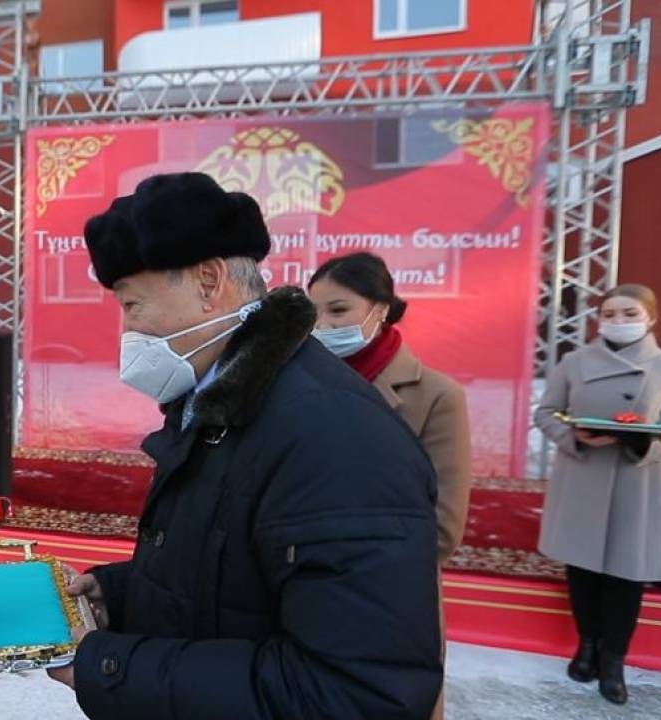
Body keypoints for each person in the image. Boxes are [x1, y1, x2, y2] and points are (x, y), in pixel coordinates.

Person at [50, 173, 443, 719]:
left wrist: (114, 668)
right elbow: (233, 576)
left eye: (133, 306)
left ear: (210, 282)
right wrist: (120, 593)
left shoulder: (334, 436)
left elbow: (354, 695)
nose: (127, 332)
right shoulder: (224, 404)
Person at [308, 252, 471, 719]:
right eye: (313, 311)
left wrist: (344, 566)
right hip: (302, 594)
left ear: (381, 309)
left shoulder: (436, 395)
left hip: (390, 601)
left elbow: (442, 529)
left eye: (338, 310)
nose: (321, 325)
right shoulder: (294, 387)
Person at [535, 283, 661, 706]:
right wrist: (574, 436)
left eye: (629, 313)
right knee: (583, 567)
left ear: (650, 317)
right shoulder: (574, 362)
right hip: (583, 474)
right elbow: (545, 413)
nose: (619, 321)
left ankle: (614, 661)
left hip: (640, 478)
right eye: (609, 313)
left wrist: (643, 441)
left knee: (626, 574)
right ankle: (587, 645)